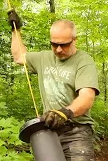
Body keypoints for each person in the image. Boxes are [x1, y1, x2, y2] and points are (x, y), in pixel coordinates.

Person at [8, 9, 100, 161]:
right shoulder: (43, 58)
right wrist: (15, 29)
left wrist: (64, 113)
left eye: (64, 45)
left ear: (74, 40)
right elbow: (19, 56)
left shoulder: (83, 61)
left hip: (77, 133)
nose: (58, 49)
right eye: (54, 44)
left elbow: (87, 98)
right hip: (48, 131)